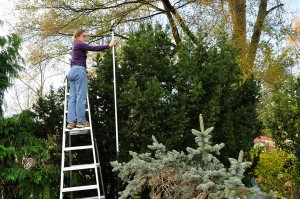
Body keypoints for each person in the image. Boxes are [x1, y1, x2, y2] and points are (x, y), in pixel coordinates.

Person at [67, 28, 116, 129]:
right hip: (79, 70)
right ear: (77, 37)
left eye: (85, 36)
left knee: (73, 98)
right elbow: (93, 48)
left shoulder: (75, 46)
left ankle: (71, 122)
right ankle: (80, 121)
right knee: (81, 96)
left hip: (72, 71)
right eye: (83, 36)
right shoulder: (79, 44)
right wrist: (108, 45)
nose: (85, 38)